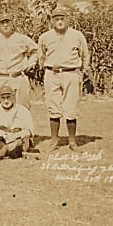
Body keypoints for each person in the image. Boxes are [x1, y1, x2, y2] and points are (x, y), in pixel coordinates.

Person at [38, 8, 91, 153]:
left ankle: (72, 141)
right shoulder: (45, 37)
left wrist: (83, 71)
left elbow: (85, 54)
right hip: (52, 74)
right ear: (52, 21)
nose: (59, 21)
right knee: (53, 107)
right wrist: (47, 67)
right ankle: (54, 141)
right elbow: (41, 56)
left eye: (62, 18)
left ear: (67, 19)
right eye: (56, 19)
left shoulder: (77, 35)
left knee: (71, 108)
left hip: (71, 74)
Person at [0, 12, 39, 109]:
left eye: (7, 22)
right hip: (0, 78)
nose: (5, 25)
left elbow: (36, 51)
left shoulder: (22, 39)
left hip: (19, 78)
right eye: (2, 22)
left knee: (22, 110)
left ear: (12, 23)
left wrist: (30, 63)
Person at [0, 85, 35, 163]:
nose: (6, 101)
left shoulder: (22, 109)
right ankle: (8, 152)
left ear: (13, 96)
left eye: (8, 97)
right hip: (0, 141)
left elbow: (30, 130)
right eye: (3, 98)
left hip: (17, 140)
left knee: (17, 134)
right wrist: (3, 134)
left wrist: (15, 136)